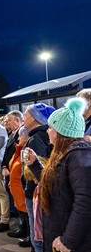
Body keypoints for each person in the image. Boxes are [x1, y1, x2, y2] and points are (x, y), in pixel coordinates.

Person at [25, 98, 91, 252]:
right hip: (58, 231)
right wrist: (35, 164)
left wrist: (68, 241)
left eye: (50, 127)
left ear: (61, 132)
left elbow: (85, 202)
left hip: (71, 241)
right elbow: (55, 185)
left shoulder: (79, 156)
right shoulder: (65, 153)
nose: (47, 131)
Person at [21, 103, 55, 251]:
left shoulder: (36, 138)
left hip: (37, 193)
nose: (23, 118)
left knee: (38, 238)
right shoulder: (44, 135)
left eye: (26, 115)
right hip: (43, 191)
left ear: (35, 118)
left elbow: (37, 167)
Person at [6, 127, 30, 239]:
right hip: (16, 189)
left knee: (26, 213)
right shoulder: (19, 149)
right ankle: (23, 230)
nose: (18, 138)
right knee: (22, 213)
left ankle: (29, 236)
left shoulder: (26, 151)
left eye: (21, 136)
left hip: (21, 190)